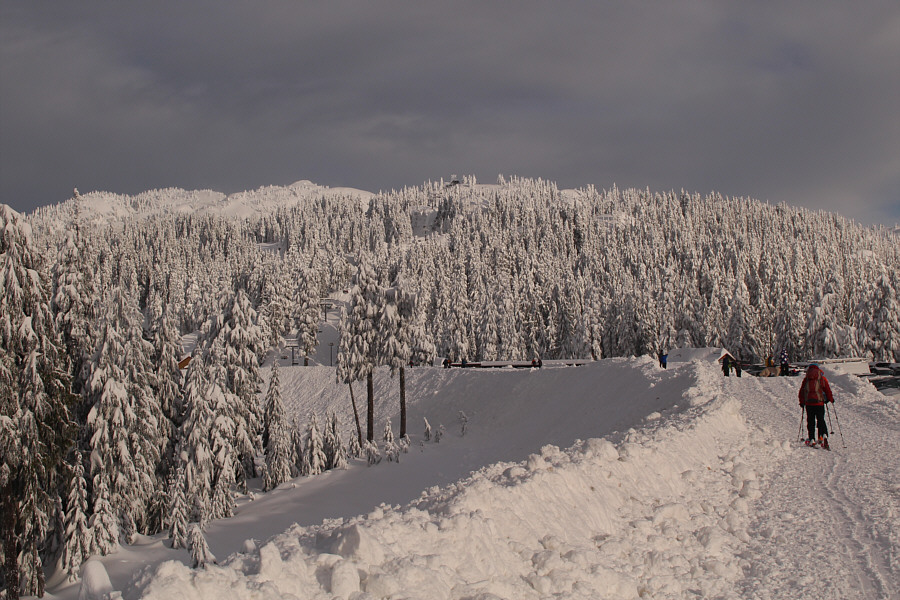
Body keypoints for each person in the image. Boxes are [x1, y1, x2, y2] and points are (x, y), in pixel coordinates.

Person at [798, 363, 834, 448]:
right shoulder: (821, 378)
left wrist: (802, 402)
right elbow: (827, 389)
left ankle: (812, 439)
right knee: (820, 419)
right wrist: (830, 399)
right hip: (819, 403)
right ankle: (823, 435)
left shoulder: (806, 379)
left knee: (811, 421)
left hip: (809, 403)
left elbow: (802, 392)